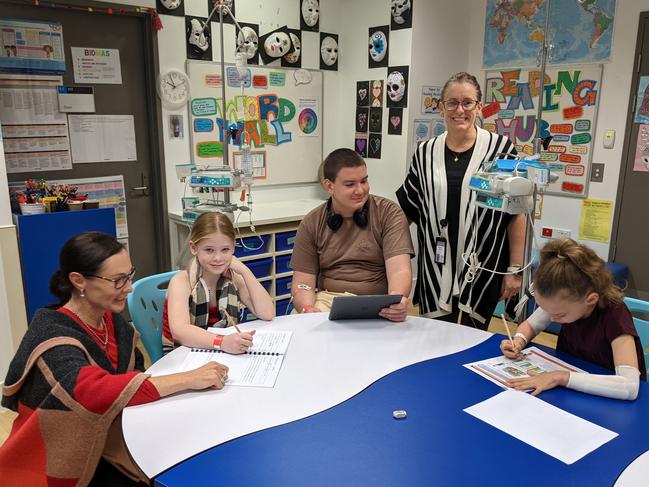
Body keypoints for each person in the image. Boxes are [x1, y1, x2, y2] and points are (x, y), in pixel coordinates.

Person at [0, 232, 229, 486]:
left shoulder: (109, 320)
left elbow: (133, 376)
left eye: (129, 275)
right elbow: (90, 390)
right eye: (118, 281)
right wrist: (189, 378)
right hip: (59, 458)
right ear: (78, 281)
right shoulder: (52, 334)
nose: (129, 288)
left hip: (105, 438)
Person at [396, 71, 525, 330]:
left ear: (478, 107)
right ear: (441, 107)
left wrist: (515, 269)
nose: (459, 110)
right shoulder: (424, 152)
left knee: (471, 340)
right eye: (452, 103)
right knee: (433, 339)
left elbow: (516, 213)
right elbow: (407, 209)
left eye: (467, 102)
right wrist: (390, 257)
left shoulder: (501, 150)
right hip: (435, 263)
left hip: (482, 266)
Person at [501, 238, 645, 400]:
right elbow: (531, 325)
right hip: (572, 389)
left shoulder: (615, 315)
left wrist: (561, 377)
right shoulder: (565, 303)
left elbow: (629, 386)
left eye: (560, 315)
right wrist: (518, 341)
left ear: (590, 300)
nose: (552, 318)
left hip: (607, 399)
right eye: (547, 310)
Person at [291, 148, 414, 321]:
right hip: (328, 301)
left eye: (364, 181)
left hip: (377, 303)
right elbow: (303, 284)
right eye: (350, 184)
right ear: (329, 186)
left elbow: (399, 270)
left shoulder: (389, 214)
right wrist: (307, 309)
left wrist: (398, 300)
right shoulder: (312, 222)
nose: (360, 190)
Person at [163, 211, 275, 354]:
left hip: (222, 349)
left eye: (225, 250)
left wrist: (245, 271)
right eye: (209, 250)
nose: (218, 258)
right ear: (194, 248)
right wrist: (222, 342)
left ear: (233, 247)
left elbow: (267, 313)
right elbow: (180, 332)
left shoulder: (233, 277)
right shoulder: (181, 282)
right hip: (181, 353)